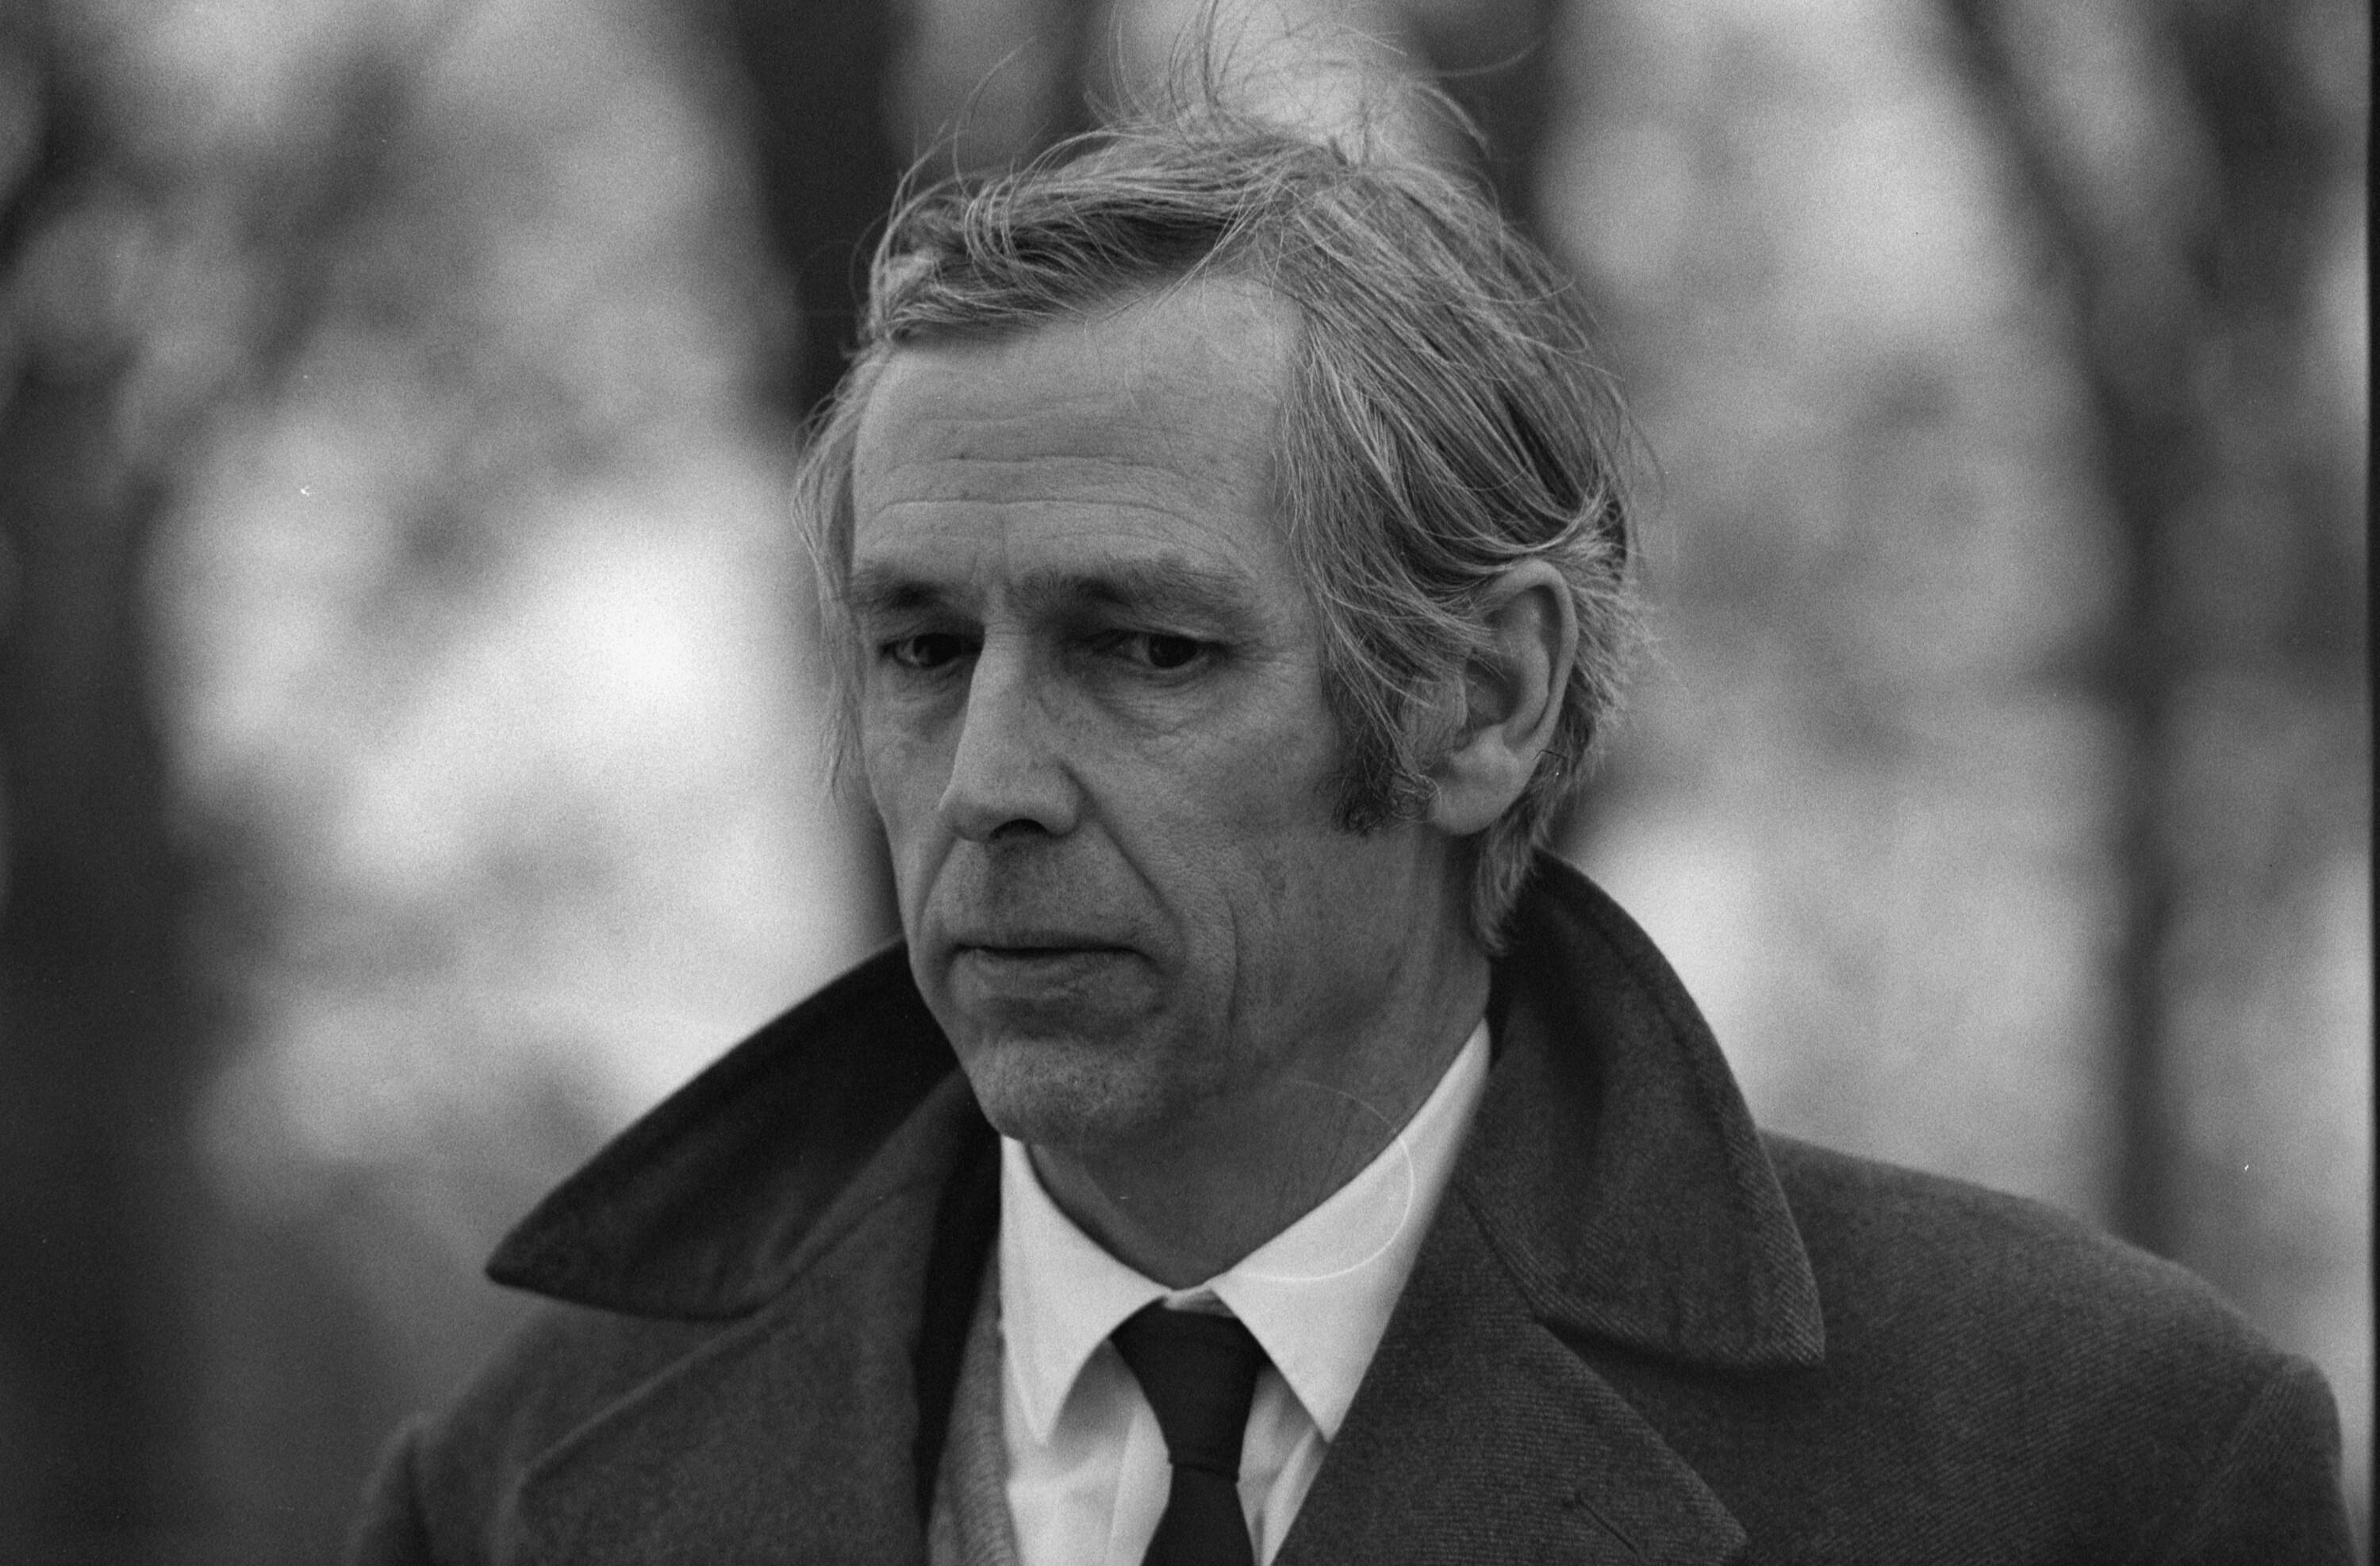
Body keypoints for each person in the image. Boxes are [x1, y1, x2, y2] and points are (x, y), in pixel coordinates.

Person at [346, 92, 2354, 1566]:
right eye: (924, 649)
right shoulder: (520, 1492)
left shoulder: (2079, 1465)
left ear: (1483, 702)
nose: (988, 781)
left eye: (1145, 648)